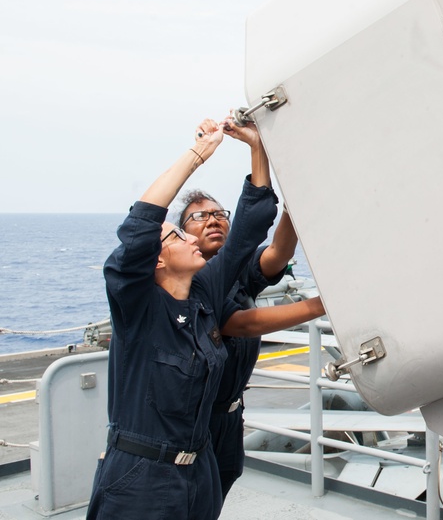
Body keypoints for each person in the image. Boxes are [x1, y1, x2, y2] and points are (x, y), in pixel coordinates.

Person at [87, 117, 326, 520]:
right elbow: (140, 224)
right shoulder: (137, 307)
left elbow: (247, 231)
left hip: (199, 471)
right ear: (156, 259)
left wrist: (256, 145)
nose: (192, 237)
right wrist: (199, 153)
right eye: (179, 235)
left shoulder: (203, 294)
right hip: (142, 479)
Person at [176, 192, 300, 499]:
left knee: (219, 488)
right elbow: (243, 324)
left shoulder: (239, 273)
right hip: (194, 421)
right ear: (182, 235)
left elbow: (278, 253)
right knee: (189, 499)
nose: (213, 220)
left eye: (219, 214)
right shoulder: (184, 282)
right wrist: (321, 306)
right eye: (200, 216)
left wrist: (293, 206)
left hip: (231, 416)